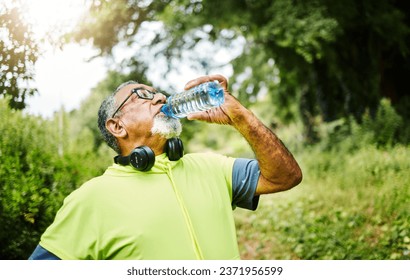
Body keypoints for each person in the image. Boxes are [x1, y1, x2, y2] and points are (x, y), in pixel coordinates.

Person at [29, 74, 302, 260]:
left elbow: (286, 176)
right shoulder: (91, 199)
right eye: (141, 96)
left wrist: (239, 115)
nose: (160, 97)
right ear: (117, 126)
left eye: (156, 92)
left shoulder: (211, 166)